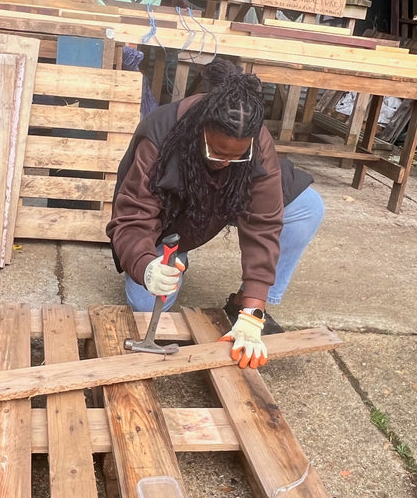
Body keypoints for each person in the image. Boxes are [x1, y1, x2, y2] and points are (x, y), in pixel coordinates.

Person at [107, 59, 324, 370]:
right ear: (200, 132)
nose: (226, 162)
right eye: (218, 153)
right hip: (169, 221)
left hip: (225, 203)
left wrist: (253, 310)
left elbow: (263, 225)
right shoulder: (160, 134)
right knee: (144, 302)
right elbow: (132, 218)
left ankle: (243, 305)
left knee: (308, 207)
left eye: (237, 156)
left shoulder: (254, 142)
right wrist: (145, 265)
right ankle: (171, 257)